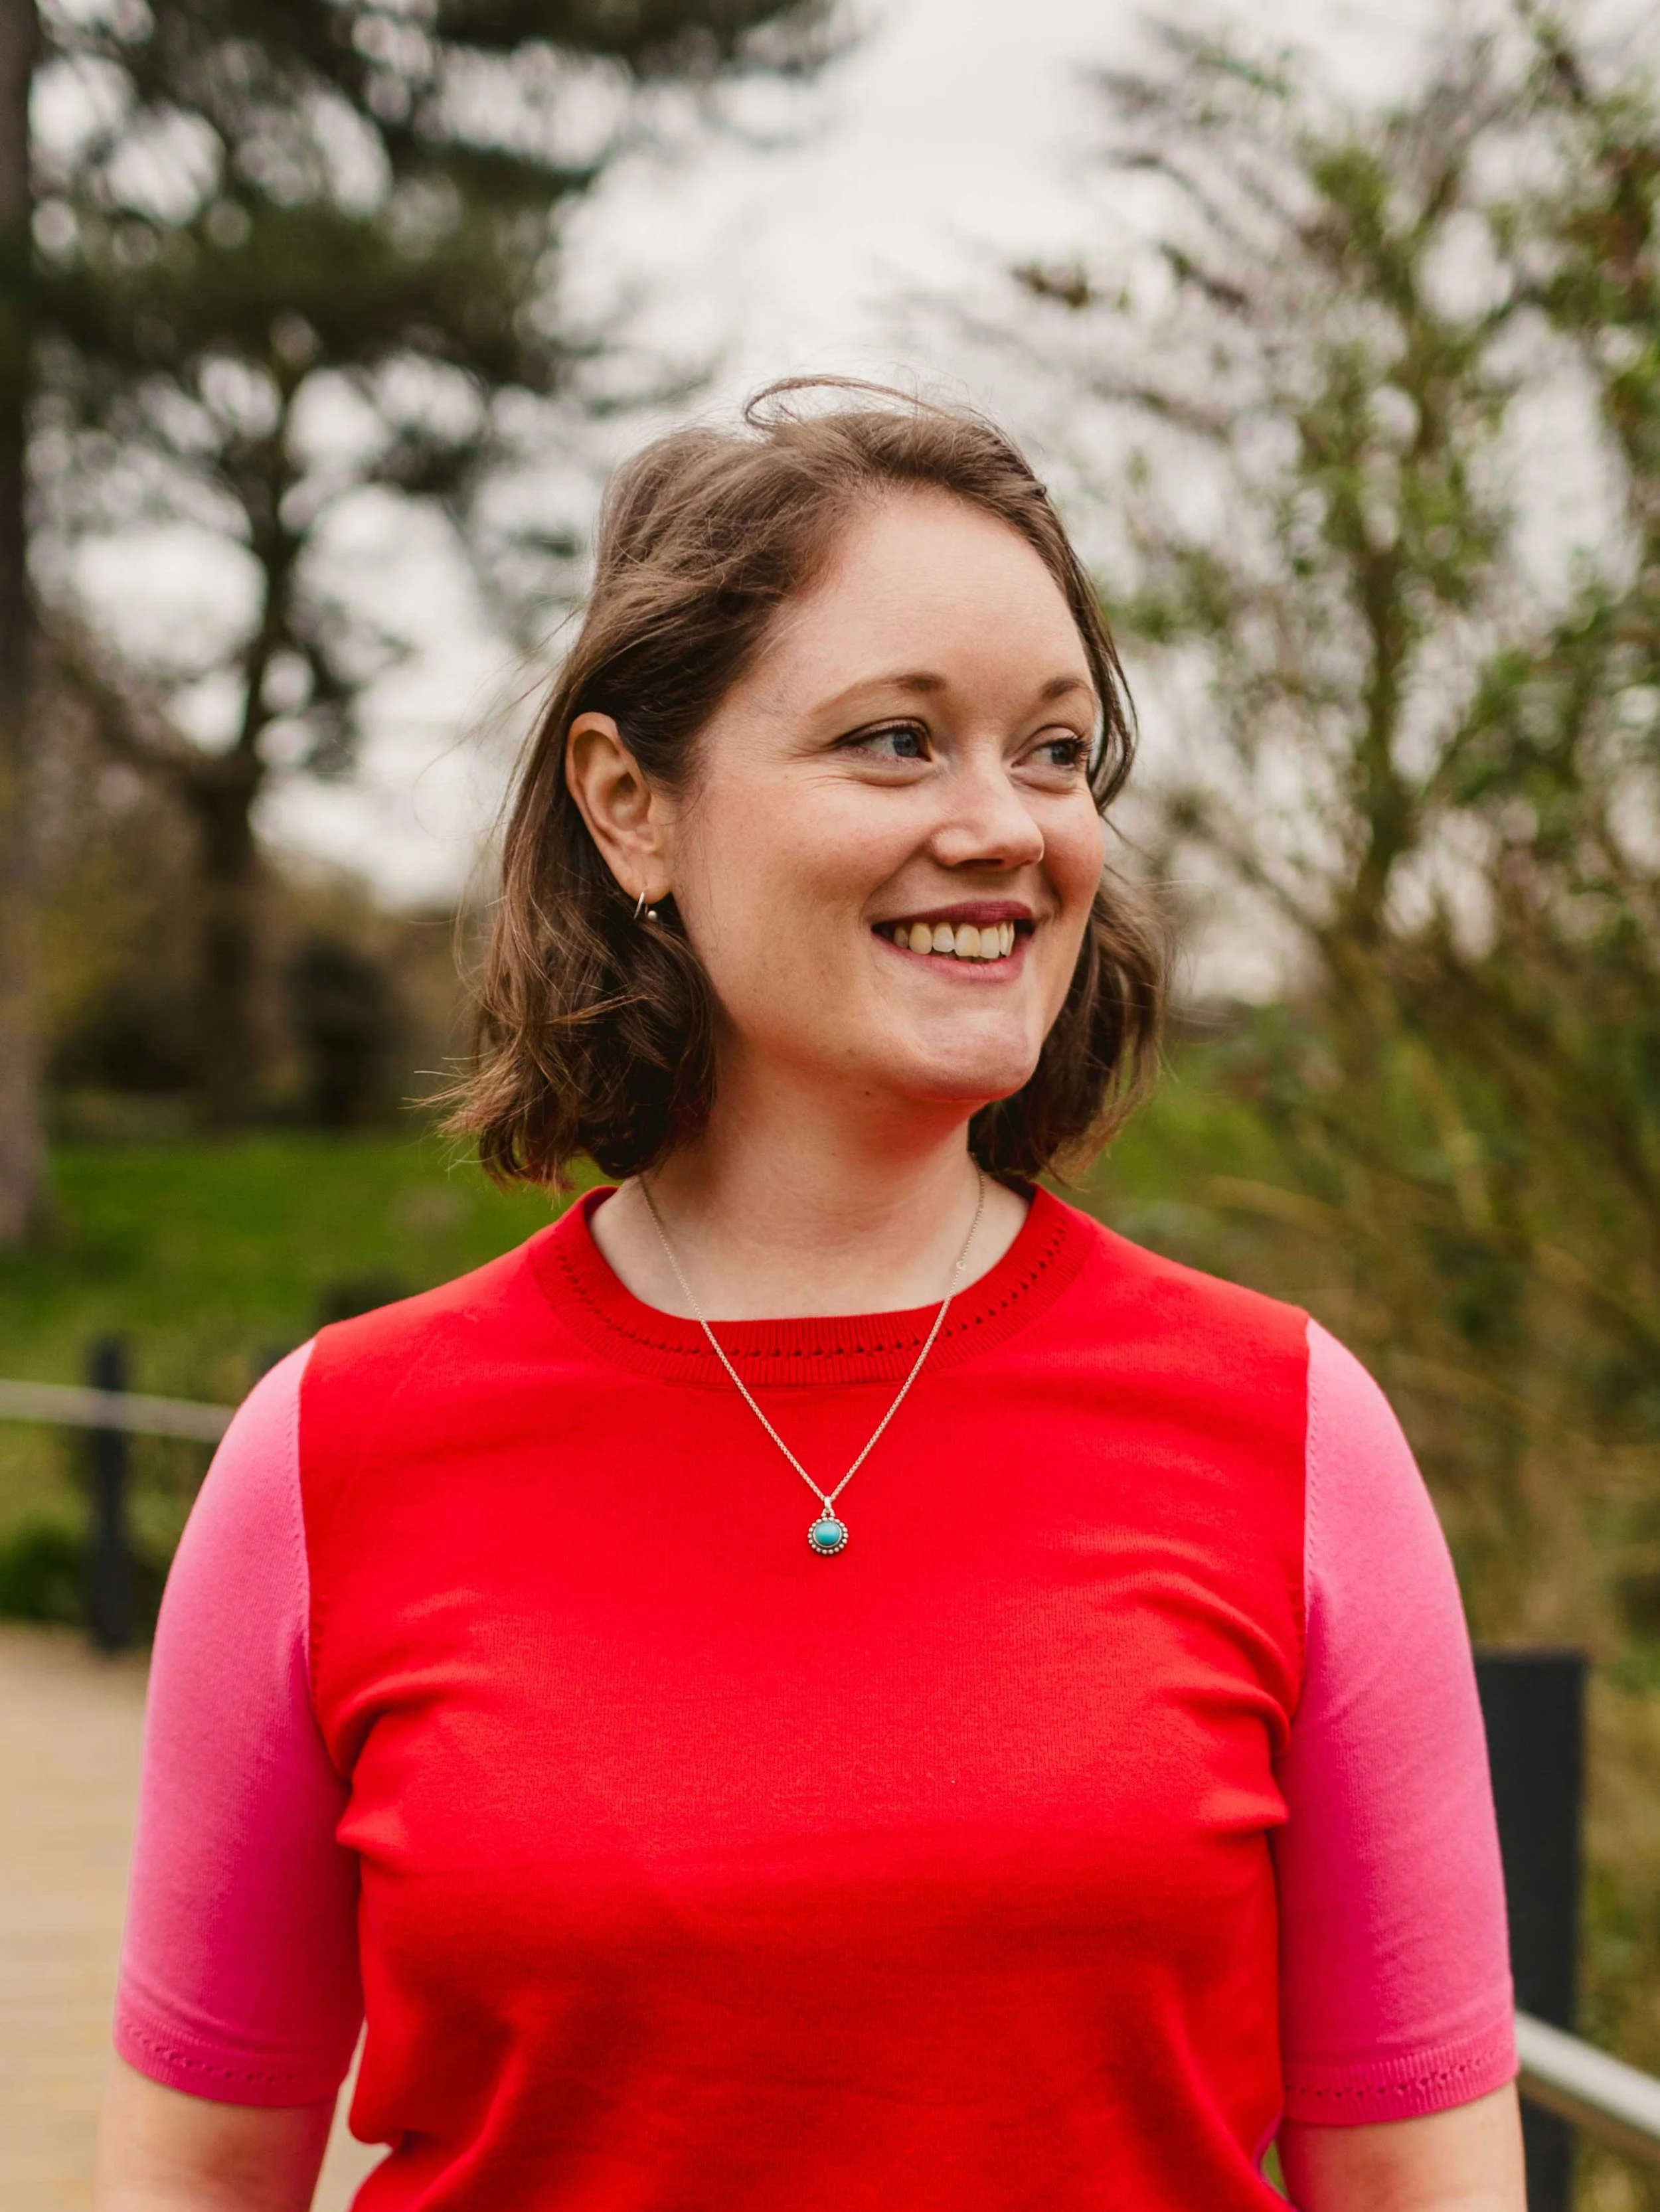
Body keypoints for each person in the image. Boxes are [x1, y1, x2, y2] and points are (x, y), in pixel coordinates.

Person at [95, 381, 1525, 2212]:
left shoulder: (1289, 1429)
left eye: (1053, 749)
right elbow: (189, 2178)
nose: (1005, 825)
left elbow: (1424, 2179)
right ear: (631, 808)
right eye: (893, 741)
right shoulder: (330, 1452)